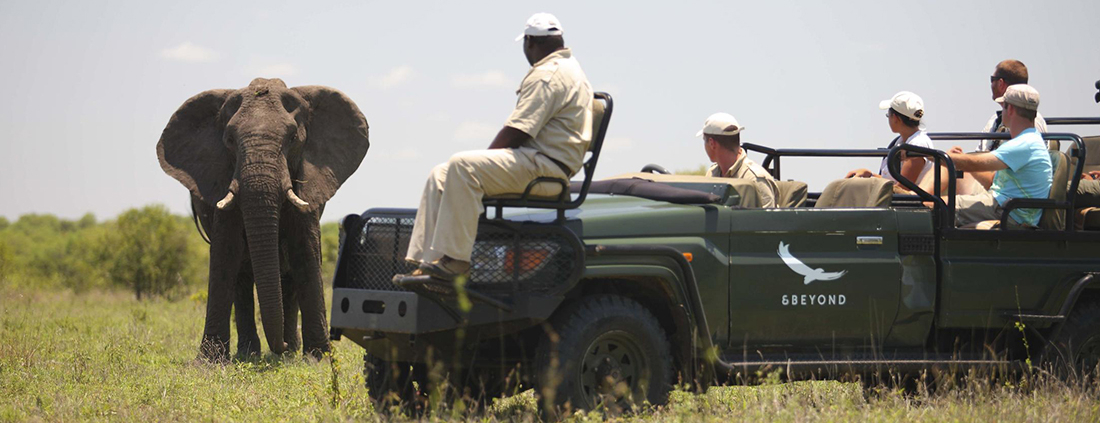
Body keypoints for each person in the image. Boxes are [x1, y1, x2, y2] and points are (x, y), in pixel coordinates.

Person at [404, 13, 593, 280]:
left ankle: (456, 262)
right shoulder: (569, 68)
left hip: (546, 168)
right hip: (539, 163)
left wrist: (483, 162)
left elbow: (518, 130)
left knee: (462, 165)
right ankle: (430, 263)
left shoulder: (547, 75)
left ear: (529, 42)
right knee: (441, 173)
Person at [937, 84, 1052, 227]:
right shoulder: (1028, 140)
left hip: (1008, 213)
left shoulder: (1024, 143)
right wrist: (958, 159)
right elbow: (992, 178)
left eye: (1002, 107)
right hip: (1003, 206)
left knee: (937, 207)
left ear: (1009, 109)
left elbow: (975, 164)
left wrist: (935, 156)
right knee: (939, 204)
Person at [846, 91, 933, 187]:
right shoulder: (902, 142)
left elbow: (903, 189)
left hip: (905, 201)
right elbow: (893, 184)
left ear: (896, 118)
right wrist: (870, 176)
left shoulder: (917, 144)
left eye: (888, 115)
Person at [696, 113, 779, 208]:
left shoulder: (755, 179)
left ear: (712, 143)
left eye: (704, 140)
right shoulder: (712, 173)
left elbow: (768, 220)